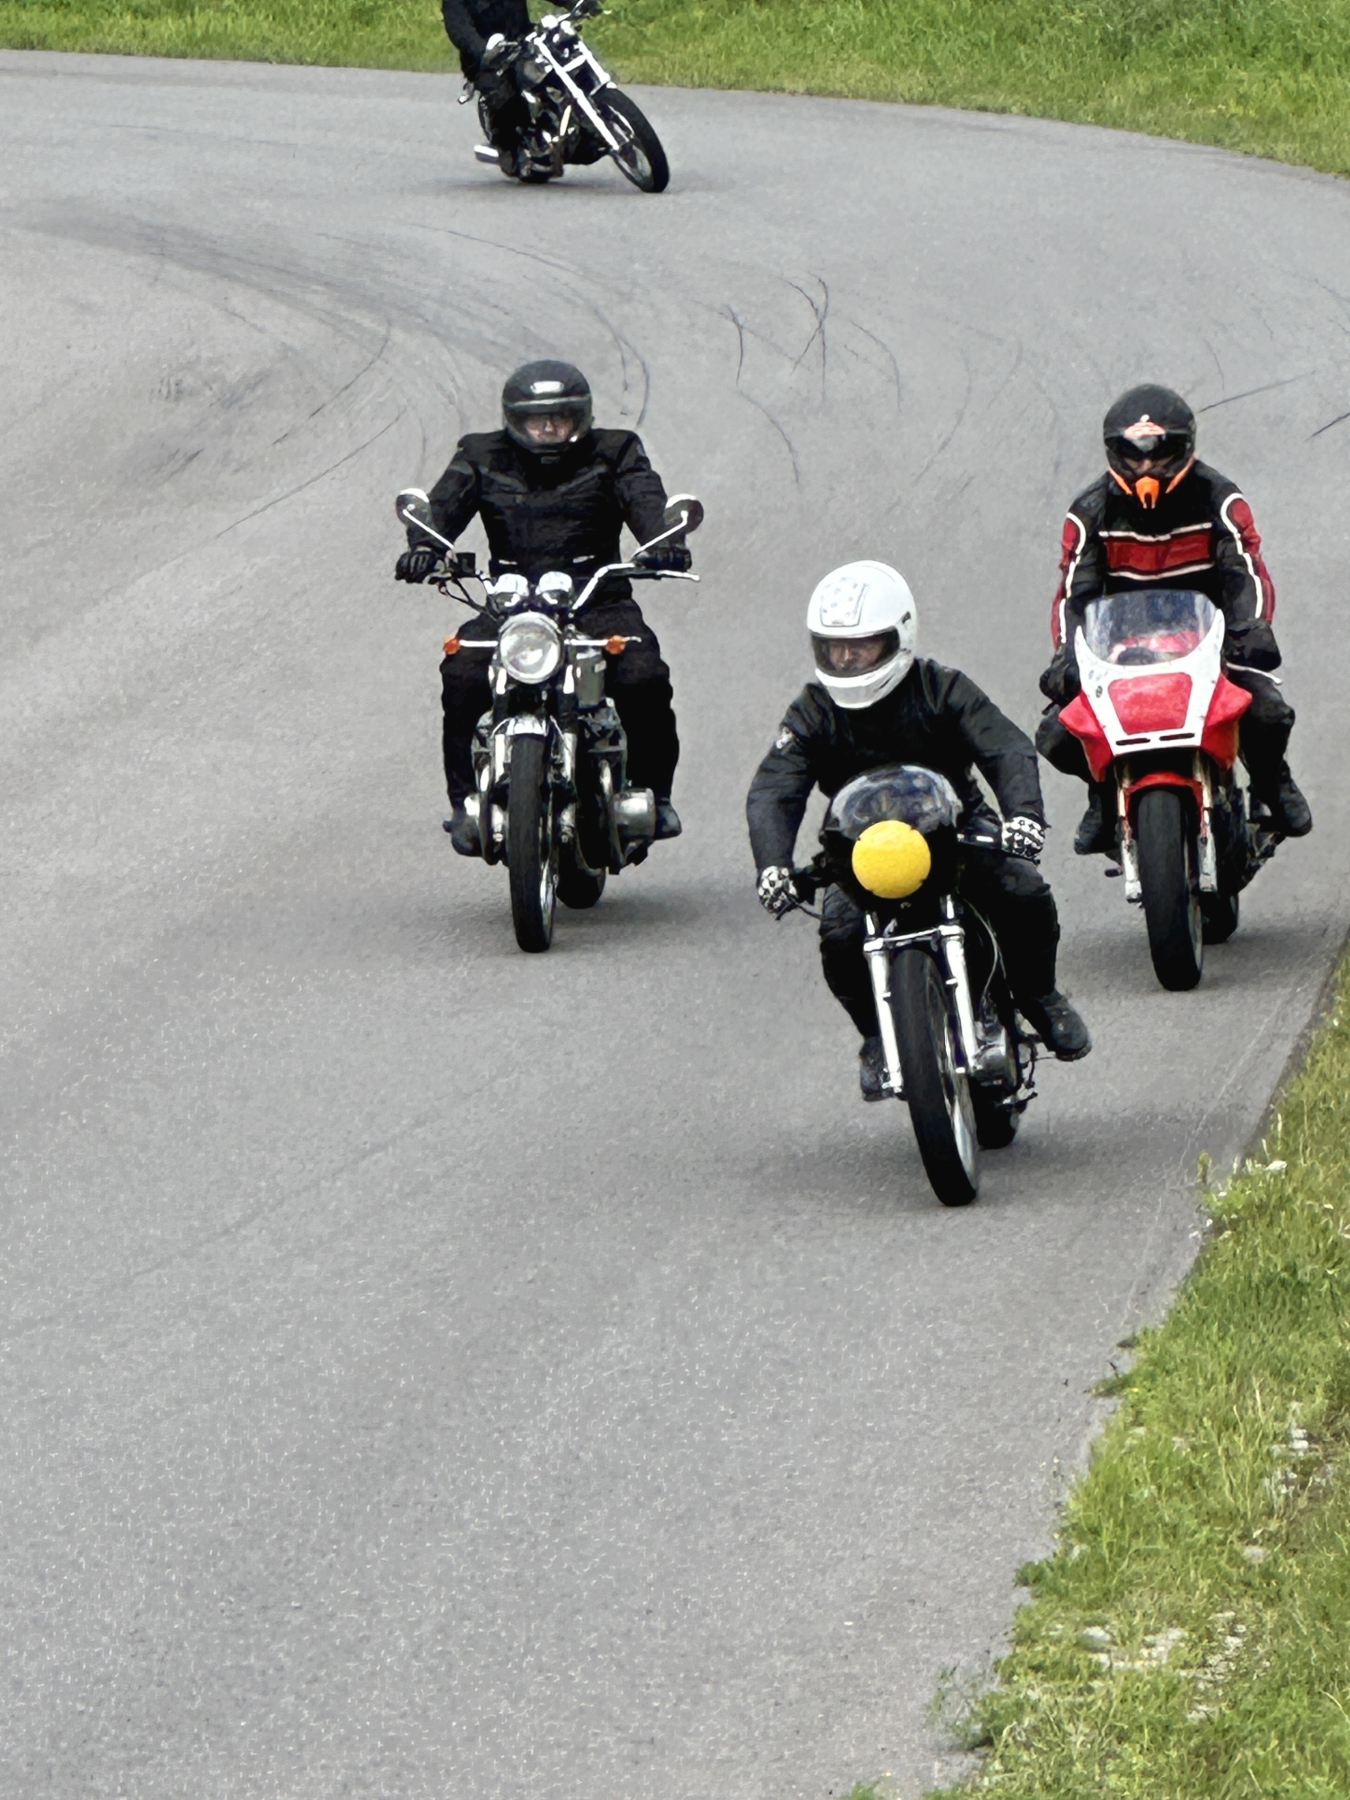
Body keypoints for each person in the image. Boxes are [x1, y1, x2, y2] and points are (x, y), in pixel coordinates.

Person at [746, 561, 1090, 1100]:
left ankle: (1040, 996)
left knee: (1023, 892)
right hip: (860, 850)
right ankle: (879, 1038)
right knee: (839, 937)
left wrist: (1022, 814)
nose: (846, 659)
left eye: (861, 646)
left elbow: (1004, 745)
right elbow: (775, 787)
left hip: (953, 829)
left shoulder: (942, 687)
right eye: (834, 648)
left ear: (899, 637)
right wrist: (772, 864)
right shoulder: (813, 709)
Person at [395, 360, 690, 852]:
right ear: (515, 421)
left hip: (596, 597)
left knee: (644, 676)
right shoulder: (481, 454)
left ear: (582, 417)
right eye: (537, 419)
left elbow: (647, 503)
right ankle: (466, 802)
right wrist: (425, 544)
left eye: (560, 417)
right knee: (462, 672)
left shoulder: (615, 452)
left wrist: (665, 538)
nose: (549, 427)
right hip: (511, 602)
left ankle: (653, 797)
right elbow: (441, 508)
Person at [1037, 383, 1312, 853]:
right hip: (1123, 650)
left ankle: (1270, 783)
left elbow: (1246, 570)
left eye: (1160, 456)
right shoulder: (1088, 513)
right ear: (1115, 454)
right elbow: (1072, 595)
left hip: (1210, 640)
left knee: (1268, 712)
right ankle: (1103, 795)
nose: (1147, 468)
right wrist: (1067, 655)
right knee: (1059, 734)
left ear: (1184, 449)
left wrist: (1250, 628)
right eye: (1134, 456)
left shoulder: (1220, 500)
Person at [440, 0, 533, 174]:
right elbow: (460, 30)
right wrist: (482, 51)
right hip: (486, 62)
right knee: (504, 95)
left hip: (525, 47)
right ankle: (507, 146)